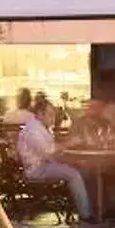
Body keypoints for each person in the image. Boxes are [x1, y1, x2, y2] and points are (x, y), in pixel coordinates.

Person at [16, 91, 93, 221]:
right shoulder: (33, 131)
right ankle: (86, 214)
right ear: (40, 114)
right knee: (73, 174)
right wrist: (70, 143)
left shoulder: (43, 128)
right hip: (37, 169)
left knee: (83, 170)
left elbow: (52, 153)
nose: (53, 118)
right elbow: (48, 152)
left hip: (45, 164)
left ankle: (85, 207)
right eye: (50, 115)